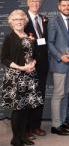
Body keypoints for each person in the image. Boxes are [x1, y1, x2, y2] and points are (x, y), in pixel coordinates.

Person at [0, 9, 43, 146]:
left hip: (29, 76)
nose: (19, 21)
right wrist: (21, 68)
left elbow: (34, 55)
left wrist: (33, 63)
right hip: (15, 77)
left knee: (26, 108)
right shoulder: (9, 38)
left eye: (21, 19)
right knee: (18, 109)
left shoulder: (29, 36)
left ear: (25, 21)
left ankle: (23, 136)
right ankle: (15, 139)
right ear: (11, 22)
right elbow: (4, 59)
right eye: (15, 19)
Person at [48, 0, 69, 136]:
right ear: (59, 7)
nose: (66, 7)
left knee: (65, 94)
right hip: (60, 64)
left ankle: (62, 121)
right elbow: (50, 43)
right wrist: (61, 57)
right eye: (64, 5)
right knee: (58, 94)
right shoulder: (54, 21)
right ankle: (55, 125)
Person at [24, 0, 49, 140]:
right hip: (28, 64)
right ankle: (26, 128)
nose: (35, 4)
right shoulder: (23, 19)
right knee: (28, 96)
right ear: (28, 3)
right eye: (33, 1)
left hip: (43, 64)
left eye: (38, 1)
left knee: (40, 95)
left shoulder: (43, 19)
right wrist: (28, 61)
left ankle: (36, 126)